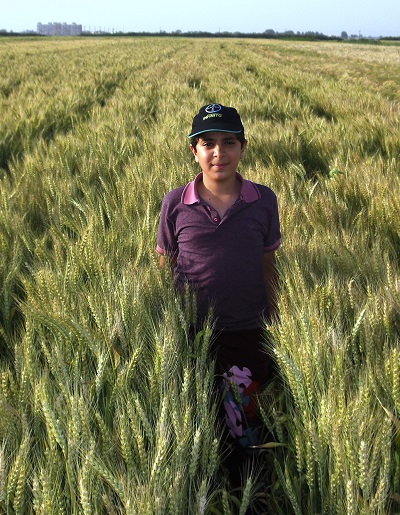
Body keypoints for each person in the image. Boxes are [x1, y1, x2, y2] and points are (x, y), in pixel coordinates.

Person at [156, 103, 281, 486]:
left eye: (229, 142)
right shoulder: (175, 204)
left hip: (248, 334)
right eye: (207, 143)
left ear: (243, 148)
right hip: (193, 335)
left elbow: (268, 265)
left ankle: (249, 491)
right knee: (200, 421)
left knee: (245, 428)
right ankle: (209, 489)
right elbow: (165, 267)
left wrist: (279, 323)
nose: (218, 152)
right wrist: (168, 326)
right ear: (193, 150)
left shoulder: (263, 200)